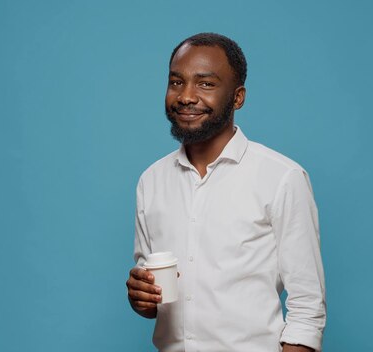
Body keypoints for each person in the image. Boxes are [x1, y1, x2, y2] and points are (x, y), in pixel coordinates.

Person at [126, 32, 326, 352]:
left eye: (205, 84)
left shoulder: (282, 178)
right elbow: (151, 298)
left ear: (237, 97)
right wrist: (141, 298)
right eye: (177, 82)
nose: (186, 96)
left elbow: (307, 309)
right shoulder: (151, 181)